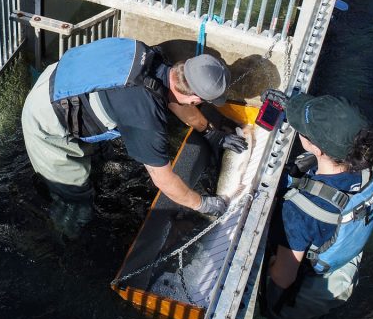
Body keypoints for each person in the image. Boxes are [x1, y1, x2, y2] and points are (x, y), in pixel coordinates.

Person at [20, 37, 246, 235]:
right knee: (76, 198)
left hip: (60, 77)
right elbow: (164, 180)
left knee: (98, 156)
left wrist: (210, 133)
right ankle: (62, 238)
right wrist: (202, 204)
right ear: (196, 99)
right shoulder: (146, 119)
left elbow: (177, 100)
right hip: (45, 119)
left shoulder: (149, 56)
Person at [261, 91, 373, 319]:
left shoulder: (302, 209)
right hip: (346, 264)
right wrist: (290, 103)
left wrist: (270, 303)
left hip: (312, 288)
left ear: (314, 146)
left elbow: (284, 277)